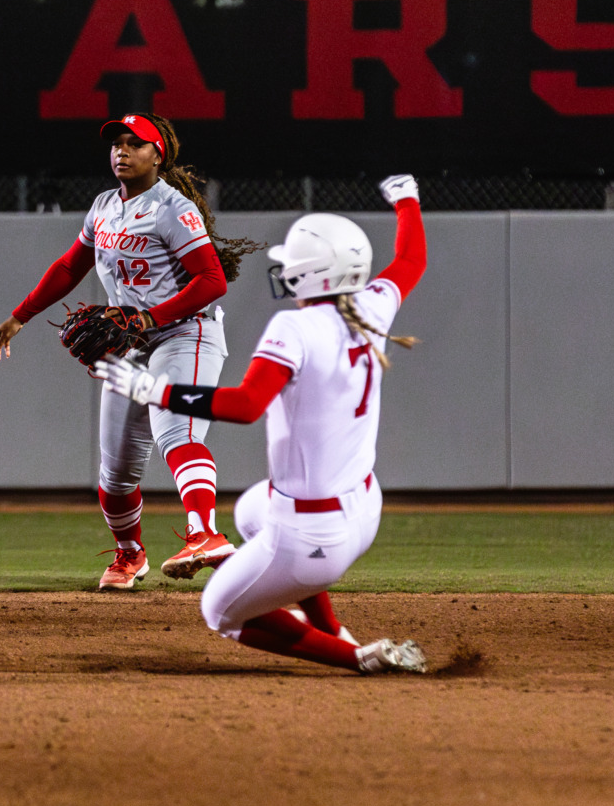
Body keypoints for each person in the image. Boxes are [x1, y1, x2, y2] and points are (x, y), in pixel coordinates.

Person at [95, 174, 429, 674]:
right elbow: (410, 260)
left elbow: (248, 405)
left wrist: (155, 391)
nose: (286, 272)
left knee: (220, 612)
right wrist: (406, 199)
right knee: (253, 510)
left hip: (313, 533)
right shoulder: (372, 305)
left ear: (312, 274)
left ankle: (359, 657)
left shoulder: (295, 326)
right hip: (363, 508)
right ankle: (333, 627)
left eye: (292, 265)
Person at [0, 112, 261, 590]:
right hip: (131, 342)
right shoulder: (104, 206)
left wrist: (149, 317)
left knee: (177, 433)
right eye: (116, 143)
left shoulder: (172, 209)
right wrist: (20, 316)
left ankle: (206, 535)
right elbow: (70, 267)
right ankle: (130, 554)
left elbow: (212, 281)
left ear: (159, 155)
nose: (122, 151)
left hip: (185, 334)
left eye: (135, 143)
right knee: (115, 473)